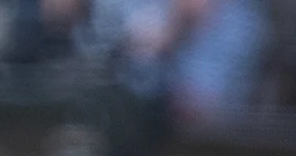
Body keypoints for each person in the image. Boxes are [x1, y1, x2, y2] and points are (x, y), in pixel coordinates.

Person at [80, 0, 268, 121]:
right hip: (119, 127)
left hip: (203, 154)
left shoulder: (240, 22)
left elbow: (202, 109)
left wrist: (177, 25)